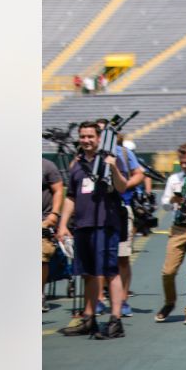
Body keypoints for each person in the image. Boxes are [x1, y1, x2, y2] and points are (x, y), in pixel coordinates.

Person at [57, 121, 133, 339]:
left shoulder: (109, 160)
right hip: (83, 225)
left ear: (99, 138)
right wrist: (63, 224)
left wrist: (113, 167)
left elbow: (122, 187)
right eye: (83, 136)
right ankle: (89, 319)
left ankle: (115, 320)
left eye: (90, 136)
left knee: (110, 272)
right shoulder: (77, 164)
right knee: (88, 273)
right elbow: (71, 196)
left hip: (105, 225)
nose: (86, 140)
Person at [156, 142, 186, 324]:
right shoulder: (174, 179)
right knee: (168, 271)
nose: (183, 165)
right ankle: (170, 301)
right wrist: (172, 200)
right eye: (181, 162)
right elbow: (164, 203)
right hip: (178, 228)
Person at [110, 133, 146, 318]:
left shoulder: (123, 152)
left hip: (122, 206)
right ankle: (100, 298)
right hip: (100, 209)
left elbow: (140, 173)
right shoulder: (88, 154)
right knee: (101, 257)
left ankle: (123, 299)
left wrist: (124, 185)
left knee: (122, 256)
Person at [42, 158, 64, 313]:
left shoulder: (47, 165)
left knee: (41, 259)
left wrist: (54, 215)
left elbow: (58, 190)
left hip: (42, 220)